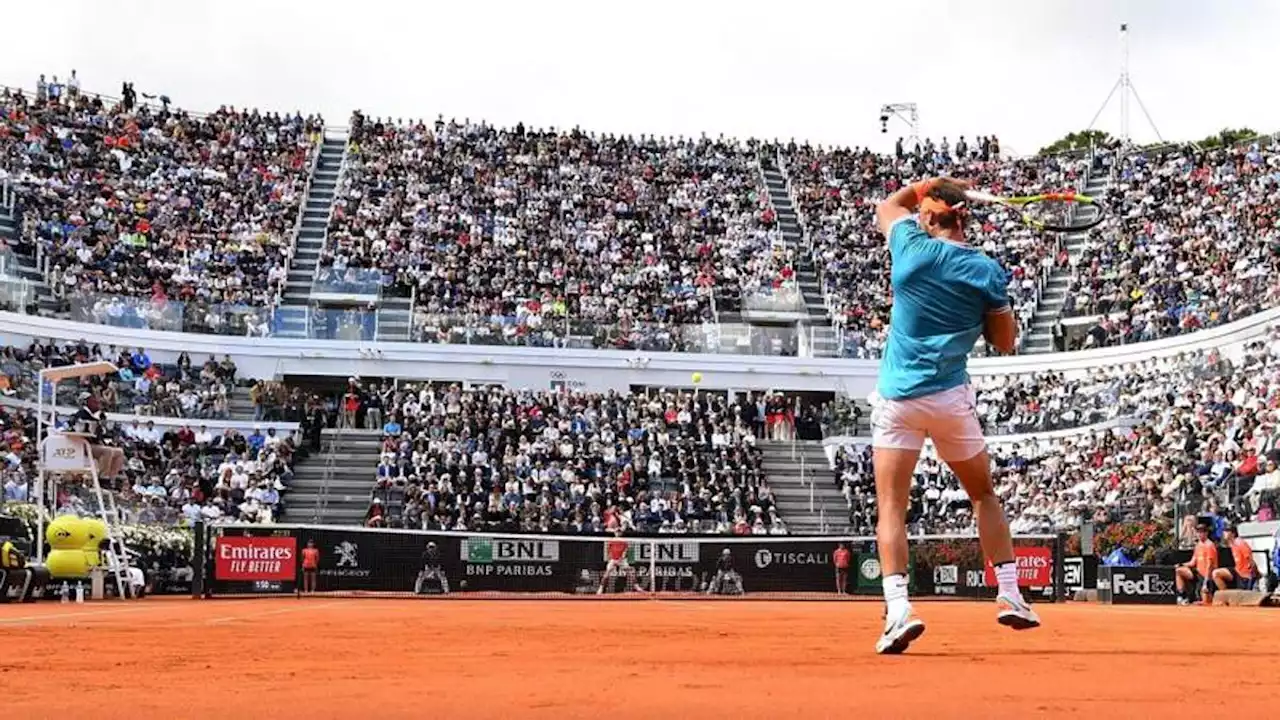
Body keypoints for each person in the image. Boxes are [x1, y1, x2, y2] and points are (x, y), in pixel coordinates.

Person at [869, 176, 1038, 654]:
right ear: (964, 216)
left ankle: (899, 609)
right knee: (983, 495)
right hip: (949, 400)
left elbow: (889, 204)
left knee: (892, 508)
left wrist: (931, 183)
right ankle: (1009, 594)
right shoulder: (986, 270)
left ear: (928, 215)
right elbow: (1004, 342)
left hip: (898, 400)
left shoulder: (909, 247)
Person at [1175, 524, 1218, 606]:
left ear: (1206, 533)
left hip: (1207, 576)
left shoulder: (1210, 545)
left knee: (1205, 602)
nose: (1199, 534)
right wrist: (1181, 564)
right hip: (1197, 573)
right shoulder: (1198, 545)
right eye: (1198, 532)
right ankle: (1182, 596)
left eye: (1202, 532)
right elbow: (1192, 562)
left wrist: (1206, 581)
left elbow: (1210, 565)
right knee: (1179, 571)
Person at [1211, 525, 1257, 592]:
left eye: (1227, 531)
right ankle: (1226, 596)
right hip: (1237, 571)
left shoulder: (1240, 543)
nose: (1224, 533)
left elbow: (1250, 560)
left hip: (1245, 575)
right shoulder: (1232, 544)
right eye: (1224, 531)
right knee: (1216, 573)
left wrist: (1253, 575)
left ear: (1233, 533)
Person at [597, 527, 642, 595]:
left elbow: (625, 551)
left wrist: (621, 558)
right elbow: (608, 551)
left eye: (619, 532)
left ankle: (637, 587)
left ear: (621, 533)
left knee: (631, 572)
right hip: (613, 560)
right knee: (607, 573)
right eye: (617, 532)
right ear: (615, 533)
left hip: (622, 560)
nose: (618, 533)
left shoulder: (624, 541)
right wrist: (611, 559)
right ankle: (601, 588)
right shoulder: (611, 541)